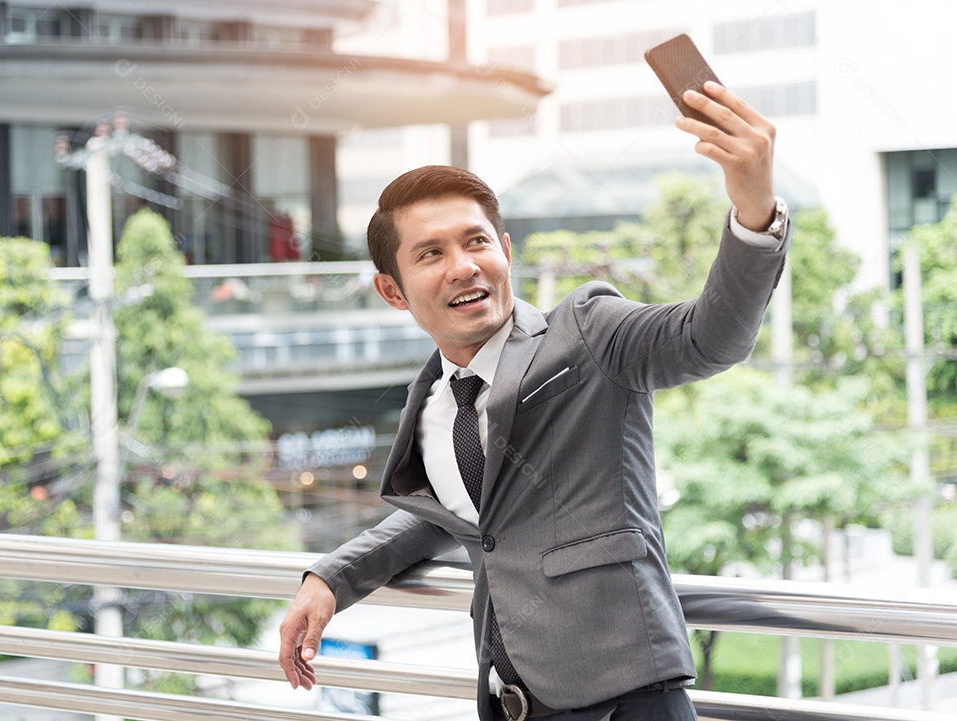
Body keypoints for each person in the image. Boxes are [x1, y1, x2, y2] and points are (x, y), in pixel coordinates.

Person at [278, 81, 790, 721]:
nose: (463, 266)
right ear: (393, 291)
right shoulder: (432, 401)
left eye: (476, 242)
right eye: (431, 253)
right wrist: (331, 577)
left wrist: (754, 211)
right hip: (509, 704)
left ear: (505, 250)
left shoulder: (588, 332)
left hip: (626, 701)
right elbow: (453, 515)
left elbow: (708, 338)